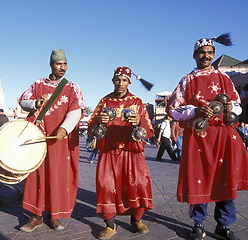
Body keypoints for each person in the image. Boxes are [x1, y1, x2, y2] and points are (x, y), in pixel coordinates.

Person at [167, 35, 248, 240]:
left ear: (213, 55)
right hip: (199, 136)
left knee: (225, 178)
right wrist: (195, 111)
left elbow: (237, 105)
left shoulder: (225, 78)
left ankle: (223, 225)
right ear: (195, 55)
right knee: (198, 179)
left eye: (210, 53)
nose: (206, 56)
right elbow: (174, 109)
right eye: (202, 52)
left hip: (223, 135)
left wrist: (231, 108)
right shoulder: (187, 80)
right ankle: (198, 224)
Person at [18, 49, 84, 232]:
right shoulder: (37, 84)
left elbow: (76, 111)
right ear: (51, 65)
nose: (62, 68)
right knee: (37, 176)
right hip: (39, 139)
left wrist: (65, 128)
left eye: (64, 64)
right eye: (58, 64)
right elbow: (23, 101)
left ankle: (54, 216)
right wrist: (35, 103)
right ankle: (36, 216)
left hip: (60, 141)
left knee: (57, 176)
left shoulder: (72, 87)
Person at [88, 67, 154, 239]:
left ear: (129, 82)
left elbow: (148, 128)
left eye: (124, 80)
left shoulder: (137, 101)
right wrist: (98, 122)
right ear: (112, 81)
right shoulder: (105, 101)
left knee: (138, 184)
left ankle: (136, 220)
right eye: (117, 79)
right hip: (109, 151)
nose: (120, 83)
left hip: (131, 152)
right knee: (106, 186)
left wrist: (138, 122)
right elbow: (91, 126)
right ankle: (110, 224)